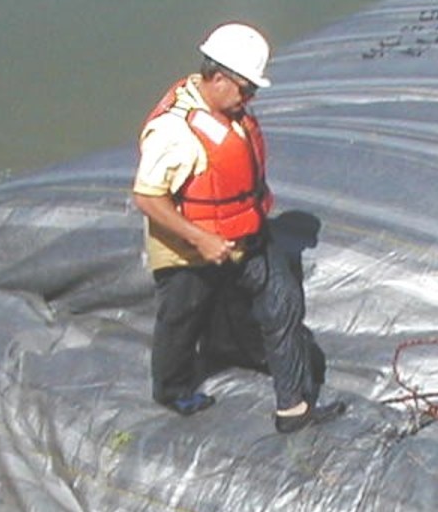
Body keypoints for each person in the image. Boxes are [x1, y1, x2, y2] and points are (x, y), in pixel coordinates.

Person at [131, 22, 343, 433]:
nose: (250, 99)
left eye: (252, 91)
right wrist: (200, 239)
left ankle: (293, 408)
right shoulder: (175, 133)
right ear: (217, 78)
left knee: (283, 304)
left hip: (247, 233)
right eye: (245, 89)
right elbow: (148, 197)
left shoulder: (233, 114)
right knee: (182, 319)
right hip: (189, 246)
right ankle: (173, 390)